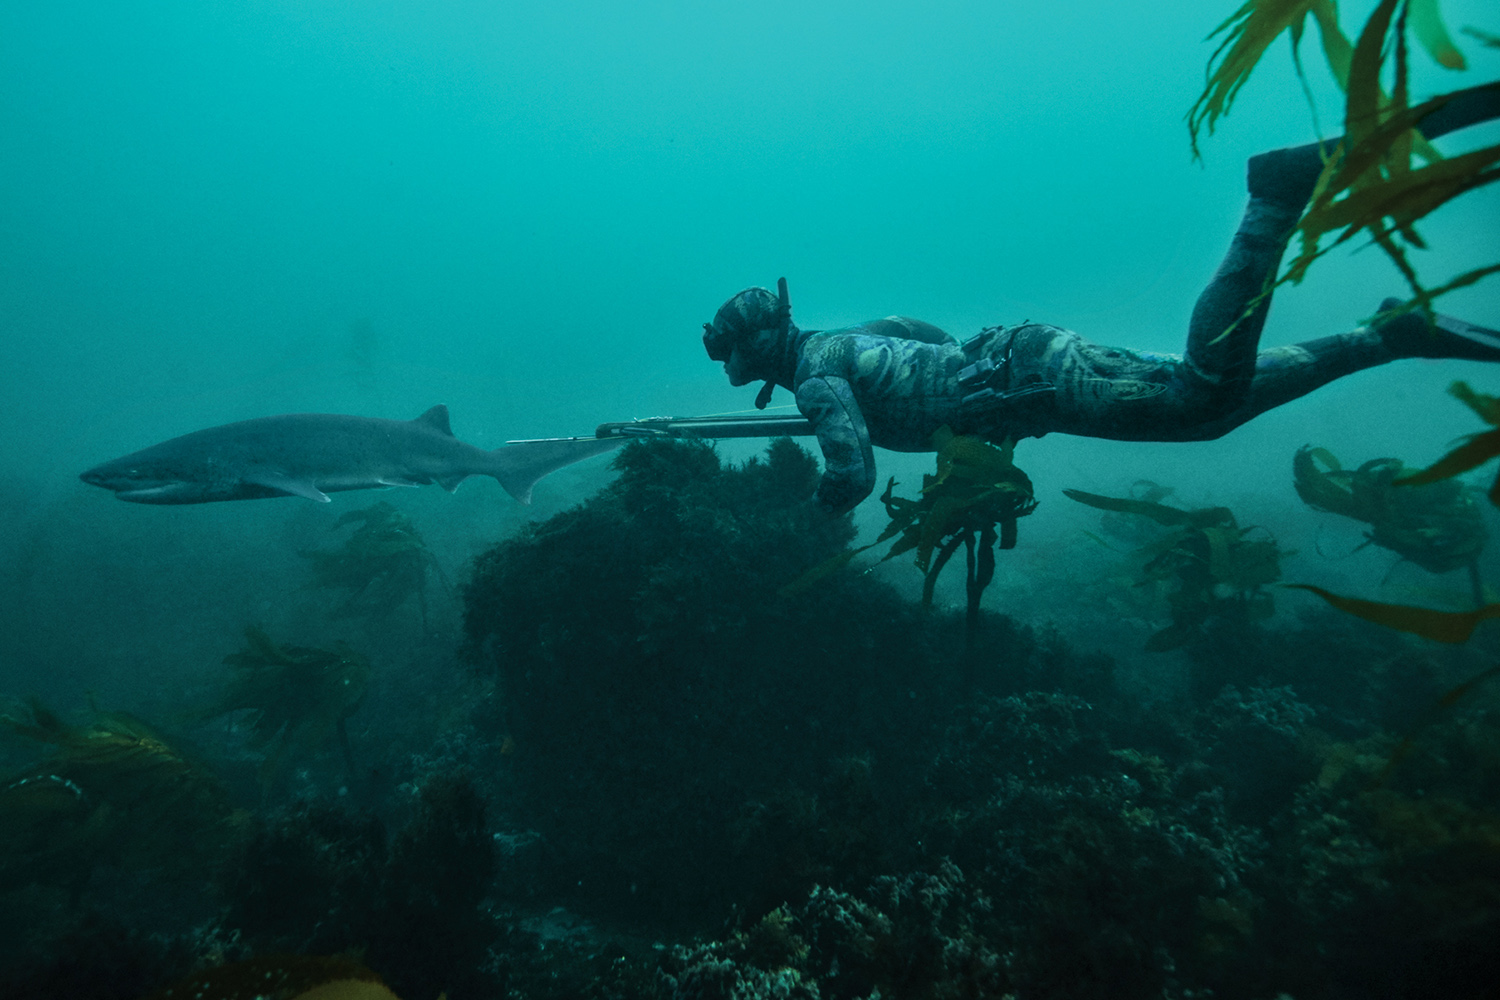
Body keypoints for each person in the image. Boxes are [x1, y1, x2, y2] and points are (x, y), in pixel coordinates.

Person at [702, 91, 1500, 515]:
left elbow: (852, 471)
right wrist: (957, 384)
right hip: (1019, 361)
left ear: (759, 345)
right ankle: (1387, 335)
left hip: (1031, 381)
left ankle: (1274, 200)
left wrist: (807, 511)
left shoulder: (814, 378)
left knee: (1197, 399)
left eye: (728, 348)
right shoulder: (842, 339)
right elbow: (911, 329)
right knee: (1212, 409)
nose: (728, 361)